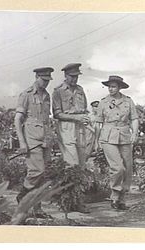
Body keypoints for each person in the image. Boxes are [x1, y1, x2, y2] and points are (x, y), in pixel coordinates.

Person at [94, 75, 139, 210]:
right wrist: (96, 141)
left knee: (127, 168)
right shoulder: (103, 102)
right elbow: (98, 122)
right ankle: (114, 196)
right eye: (109, 86)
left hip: (125, 135)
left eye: (113, 86)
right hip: (108, 136)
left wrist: (135, 133)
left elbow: (134, 118)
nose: (110, 89)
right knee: (118, 167)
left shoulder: (128, 101)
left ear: (119, 87)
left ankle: (122, 199)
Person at [14, 67, 54, 218]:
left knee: (42, 175)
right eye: (43, 80)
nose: (46, 83)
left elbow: (46, 119)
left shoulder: (47, 95)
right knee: (37, 171)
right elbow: (18, 120)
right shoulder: (26, 94)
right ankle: (23, 195)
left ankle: (37, 209)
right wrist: (22, 143)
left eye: (48, 81)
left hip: (45, 138)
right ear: (37, 77)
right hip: (31, 139)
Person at [52, 63, 90, 213]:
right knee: (71, 164)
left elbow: (85, 108)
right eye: (72, 76)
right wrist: (76, 118)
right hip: (66, 128)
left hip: (80, 128)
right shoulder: (58, 91)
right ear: (65, 76)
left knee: (81, 165)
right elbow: (57, 114)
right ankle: (69, 200)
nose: (75, 79)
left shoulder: (80, 90)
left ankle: (77, 200)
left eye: (76, 76)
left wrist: (84, 118)